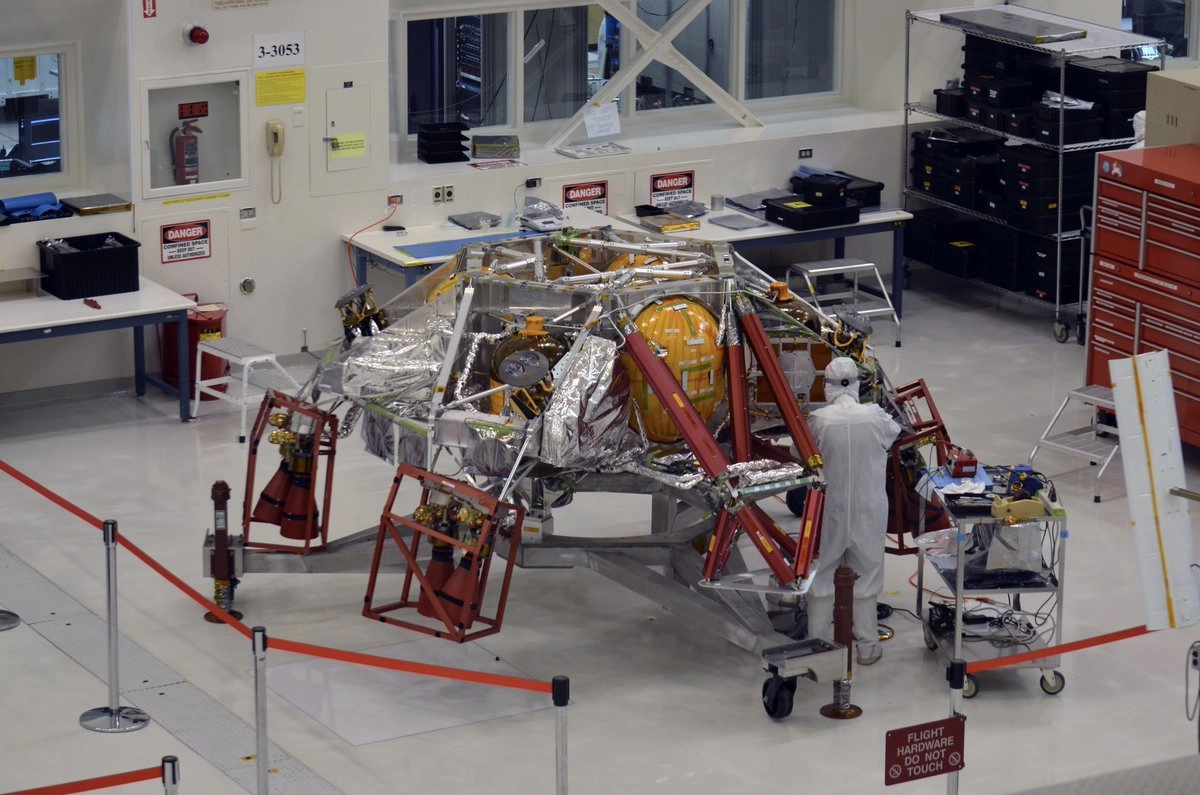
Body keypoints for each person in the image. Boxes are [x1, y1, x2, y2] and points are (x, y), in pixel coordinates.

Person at [805, 356, 901, 664]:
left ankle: (819, 649)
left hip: (829, 512)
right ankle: (867, 648)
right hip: (868, 509)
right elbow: (895, 434)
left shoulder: (818, 421)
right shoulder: (876, 417)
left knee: (821, 578)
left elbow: (799, 453)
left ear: (826, 385)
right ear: (858, 384)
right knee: (867, 577)